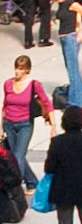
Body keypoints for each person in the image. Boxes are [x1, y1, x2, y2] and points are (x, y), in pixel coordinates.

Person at [3, 56, 52, 190]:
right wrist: (1, 127)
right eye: (16, 68)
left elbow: (47, 103)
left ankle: (16, 187)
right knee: (15, 155)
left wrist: (53, 126)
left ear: (27, 70)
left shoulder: (34, 85)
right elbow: (4, 105)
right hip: (9, 123)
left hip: (25, 123)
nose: (17, 71)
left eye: (20, 69)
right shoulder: (8, 84)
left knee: (19, 155)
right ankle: (31, 182)